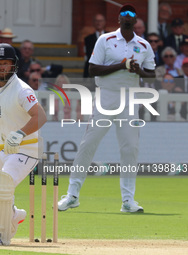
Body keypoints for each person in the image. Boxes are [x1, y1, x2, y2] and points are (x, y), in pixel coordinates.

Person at [58, 4, 155, 213]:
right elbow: (92, 69)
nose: (128, 18)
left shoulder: (144, 45)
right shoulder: (106, 40)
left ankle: (128, 201)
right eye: (124, 15)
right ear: (119, 19)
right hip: (106, 97)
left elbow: (152, 74)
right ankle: (72, 195)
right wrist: (121, 65)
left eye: (131, 15)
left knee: (130, 148)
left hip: (129, 99)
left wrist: (139, 70)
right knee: (89, 143)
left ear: (136, 20)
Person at [0, 43, 46, 245]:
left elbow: (40, 116)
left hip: (27, 148)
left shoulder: (22, 90)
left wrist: (20, 134)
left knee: (2, 185)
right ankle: (14, 214)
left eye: (6, 63)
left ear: (14, 65)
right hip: (3, 147)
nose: (3, 68)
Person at [83, 14, 107, 78]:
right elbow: (89, 54)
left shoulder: (110, 36)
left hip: (107, 68)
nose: (99, 23)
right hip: (94, 69)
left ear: (104, 22)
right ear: (93, 23)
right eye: (97, 21)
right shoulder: (88, 39)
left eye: (101, 21)